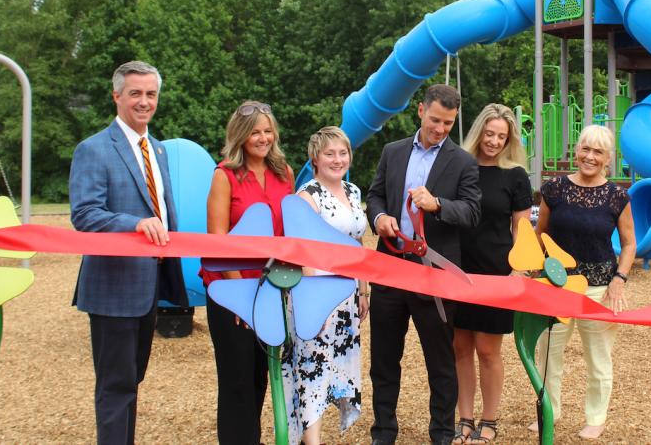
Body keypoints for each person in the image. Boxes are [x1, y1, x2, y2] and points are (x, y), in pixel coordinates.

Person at [70, 61, 188, 445]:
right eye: (135, 93)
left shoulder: (158, 149)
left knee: (131, 381)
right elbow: (85, 215)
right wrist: (133, 223)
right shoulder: (93, 149)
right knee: (115, 387)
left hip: (149, 286)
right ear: (117, 95)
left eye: (150, 93)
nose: (144, 101)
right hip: (112, 288)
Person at [366, 84, 482, 445]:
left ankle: (442, 436)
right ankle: (383, 434)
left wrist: (438, 205)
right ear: (420, 110)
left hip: (435, 275)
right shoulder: (392, 151)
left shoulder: (463, 161)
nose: (441, 128)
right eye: (435, 120)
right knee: (384, 361)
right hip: (389, 269)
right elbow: (374, 195)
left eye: (448, 123)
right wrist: (380, 217)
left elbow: (473, 211)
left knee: (441, 364)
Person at [530, 125, 636, 440]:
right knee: (547, 354)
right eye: (585, 149)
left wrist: (619, 279)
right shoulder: (553, 188)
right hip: (556, 286)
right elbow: (541, 235)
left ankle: (596, 418)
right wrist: (536, 269)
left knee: (598, 357)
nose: (590, 156)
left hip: (599, 289)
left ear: (608, 159)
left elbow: (629, 244)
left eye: (598, 152)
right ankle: (550, 410)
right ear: (576, 151)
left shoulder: (618, 196)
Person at [202, 101, 294, 445]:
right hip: (232, 293)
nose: (263, 138)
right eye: (255, 131)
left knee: (261, 375)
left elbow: (291, 232)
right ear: (240, 136)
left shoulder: (283, 171)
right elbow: (217, 242)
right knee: (237, 380)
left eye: (268, 130)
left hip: (271, 290)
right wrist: (244, 300)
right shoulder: (223, 175)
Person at [453, 104, 533, 444]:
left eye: (502, 136)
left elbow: (522, 228)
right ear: (478, 132)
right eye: (489, 134)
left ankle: (489, 420)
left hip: (498, 272)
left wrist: (520, 268)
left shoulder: (515, 175)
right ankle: (465, 419)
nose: (494, 141)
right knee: (459, 347)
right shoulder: (459, 166)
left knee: (487, 350)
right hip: (457, 270)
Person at [283, 126, 369, 445]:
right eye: (329, 154)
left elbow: (358, 242)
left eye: (342, 153)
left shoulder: (354, 192)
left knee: (334, 365)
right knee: (313, 367)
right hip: (315, 293)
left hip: (347, 296)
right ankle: (312, 441)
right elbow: (300, 250)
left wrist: (362, 290)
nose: (337, 159)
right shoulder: (307, 196)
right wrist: (313, 303)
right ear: (315, 159)